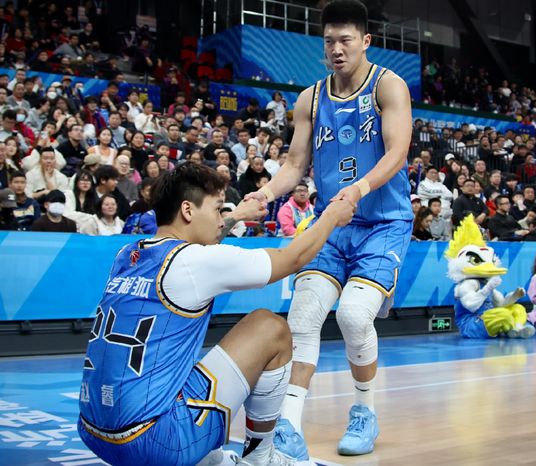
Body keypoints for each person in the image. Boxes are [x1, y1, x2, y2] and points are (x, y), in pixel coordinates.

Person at [77, 163, 355, 466]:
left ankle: (206, 458)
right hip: (154, 443)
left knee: (174, 365)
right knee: (270, 327)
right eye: (217, 209)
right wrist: (331, 217)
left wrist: (237, 216)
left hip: (94, 433)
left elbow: (200, 246)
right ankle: (260, 457)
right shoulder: (192, 261)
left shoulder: (127, 254)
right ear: (187, 210)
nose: (220, 218)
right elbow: (292, 258)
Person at [245, 0, 413, 458]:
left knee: (353, 317)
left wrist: (358, 190)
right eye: (329, 42)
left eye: (346, 40)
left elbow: (397, 152)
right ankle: (288, 426)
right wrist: (265, 194)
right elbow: (295, 164)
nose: (337, 49)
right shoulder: (310, 98)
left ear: (366, 41)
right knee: (302, 316)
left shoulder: (388, 85)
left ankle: (364, 412)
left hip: (383, 222)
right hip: (331, 223)